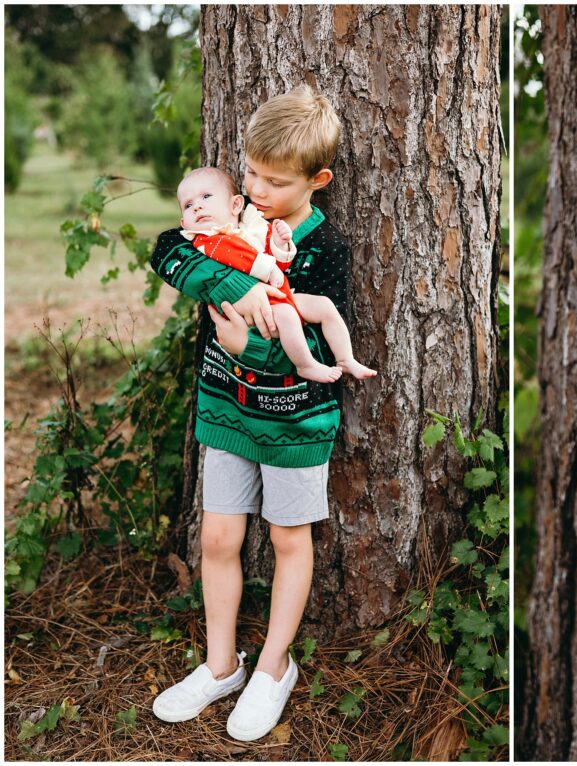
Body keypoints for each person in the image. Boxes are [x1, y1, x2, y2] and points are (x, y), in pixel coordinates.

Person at [150, 85, 361, 742]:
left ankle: (273, 666)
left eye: (275, 180)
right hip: (224, 410)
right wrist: (238, 285)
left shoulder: (325, 249)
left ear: (316, 181)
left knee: (287, 539)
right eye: (249, 174)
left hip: (296, 420)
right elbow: (168, 249)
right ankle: (220, 664)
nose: (258, 189)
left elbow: (318, 339)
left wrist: (252, 344)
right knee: (217, 537)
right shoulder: (232, 218)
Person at [176, 166, 377, 384]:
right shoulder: (206, 240)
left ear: (235, 205)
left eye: (206, 197)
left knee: (324, 306)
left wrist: (280, 244)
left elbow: (277, 263)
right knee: (288, 317)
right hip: (248, 310)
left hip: (279, 295)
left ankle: (345, 358)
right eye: (188, 205)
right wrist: (268, 267)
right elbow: (238, 258)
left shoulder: (248, 228)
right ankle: (305, 365)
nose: (197, 206)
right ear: (184, 223)